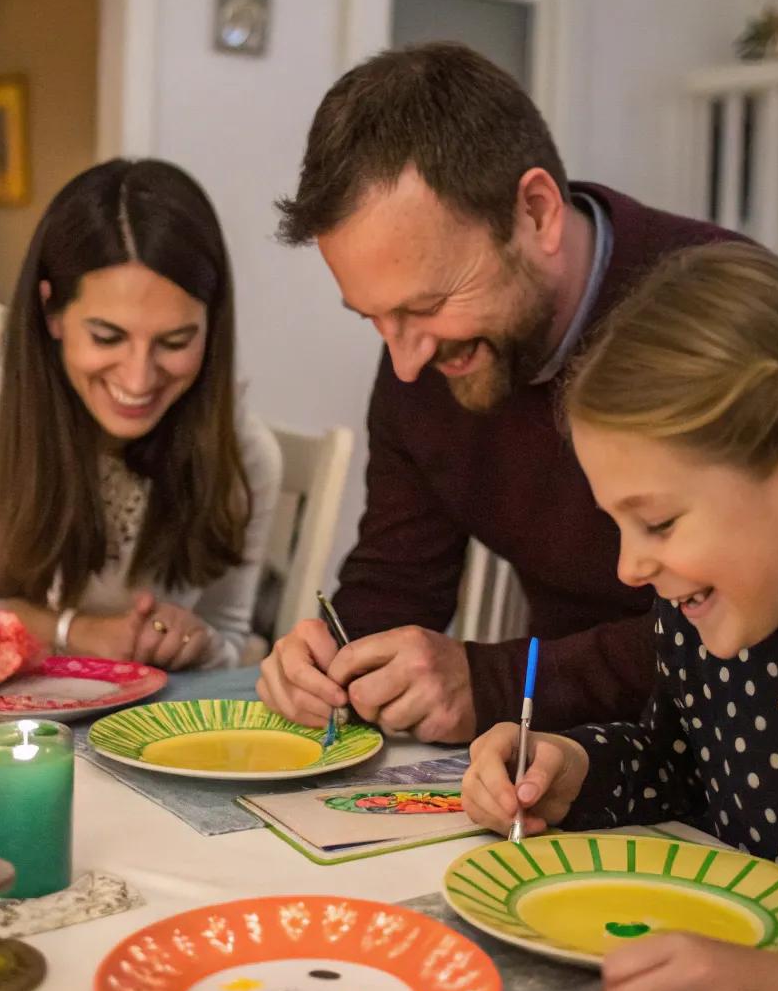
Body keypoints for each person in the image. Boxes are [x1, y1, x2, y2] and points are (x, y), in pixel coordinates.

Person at [463, 242, 778, 991]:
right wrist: (577, 769)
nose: (629, 568)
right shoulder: (704, 627)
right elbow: (690, 768)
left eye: (657, 523)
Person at [258, 41, 731, 743]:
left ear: (536, 211)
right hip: (571, 760)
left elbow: (752, 620)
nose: (406, 361)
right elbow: (400, 574)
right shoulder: (422, 357)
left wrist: (502, 683)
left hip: (746, 766)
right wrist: (332, 658)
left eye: (426, 305)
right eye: (374, 318)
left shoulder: (722, 319)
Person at [0, 159, 281, 672]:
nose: (137, 379)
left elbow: (229, 643)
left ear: (211, 325)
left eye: (175, 342)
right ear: (52, 312)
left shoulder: (245, 455)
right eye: (107, 337)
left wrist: (197, 643)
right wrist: (62, 632)